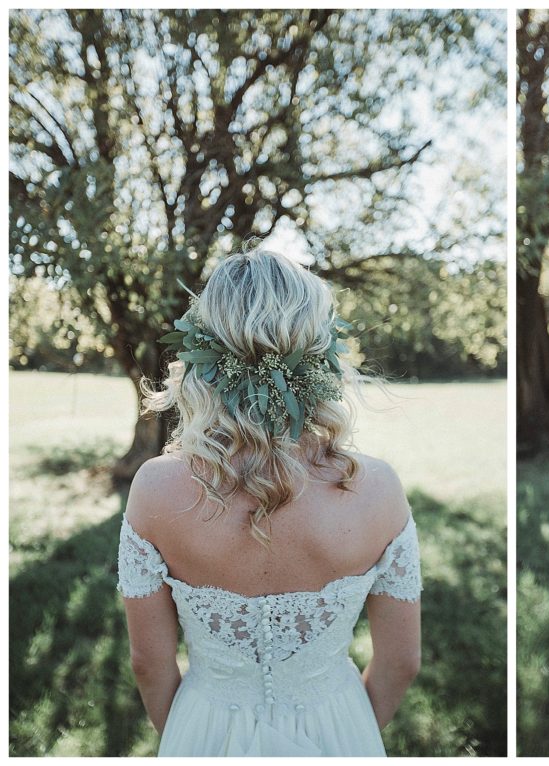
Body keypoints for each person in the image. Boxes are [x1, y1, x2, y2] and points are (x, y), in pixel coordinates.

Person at [117, 249, 421, 756]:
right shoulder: (379, 489)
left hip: (205, 728)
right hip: (338, 724)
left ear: (203, 353)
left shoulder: (154, 489)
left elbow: (148, 664)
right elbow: (402, 663)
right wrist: (350, 732)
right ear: (321, 351)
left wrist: (188, 737)